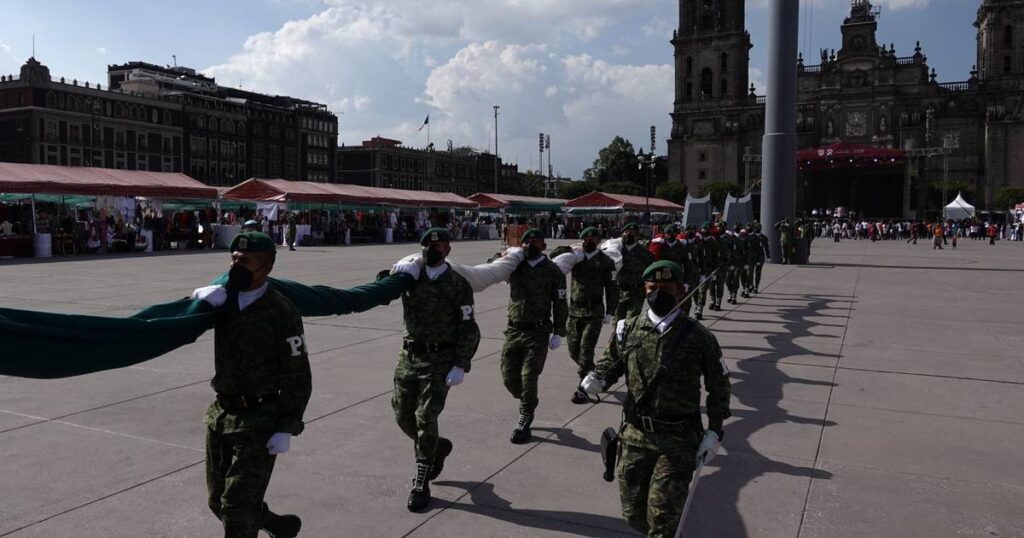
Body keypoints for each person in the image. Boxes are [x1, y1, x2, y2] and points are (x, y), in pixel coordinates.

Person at [582, 260, 731, 537]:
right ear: (644, 289)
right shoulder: (627, 330)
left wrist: (715, 431)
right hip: (635, 437)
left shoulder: (699, 337)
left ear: (680, 291)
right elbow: (611, 364)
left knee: (662, 519)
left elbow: (719, 386)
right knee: (634, 515)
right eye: (652, 288)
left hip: (678, 441)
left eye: (666, 288)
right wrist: (597, 379)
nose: (657, 294)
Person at [190, 232, 310, 538]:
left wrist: (288, 425)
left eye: (245, 260)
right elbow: (176, 323)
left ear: (267, 266)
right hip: (221, 414)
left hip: (260, 419)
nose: (236, 265)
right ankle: (276, 525)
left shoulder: (282, 311)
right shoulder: (223, 301)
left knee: (236, 508)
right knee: (218, 501)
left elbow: (298, 373)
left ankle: (260, 521)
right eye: (233, 259)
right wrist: (194, 304)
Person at [391, 227, 482, 512]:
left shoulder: (457, 284)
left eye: (439, 246)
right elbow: (381, 290)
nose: (432, 250)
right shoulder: (410, 278)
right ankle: (437, 446)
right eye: (427, 246)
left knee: (425, 416)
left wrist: (461, 363)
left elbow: (469, 328)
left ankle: (421, 480)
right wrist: (392, 274)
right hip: (408, 358)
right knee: (403, 415)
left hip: (439, 360)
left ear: (448, 250)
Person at [501, 228, 568, 444]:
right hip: (513, 330)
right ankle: (528, 401)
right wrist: (508, 255)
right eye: (527, 241)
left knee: (529, 376)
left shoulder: (553, 271)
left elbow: (560, 302)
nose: (532, 245)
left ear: (544, 246)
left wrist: (559, 331)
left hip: (538, 332)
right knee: (509, 377)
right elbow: (493, 264)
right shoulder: (514, 265)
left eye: (536, 241)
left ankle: (525, 416)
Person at [566, 227, 617, 404]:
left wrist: (611, 311)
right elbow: (556, 257)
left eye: (592, 238)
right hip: (574, 312)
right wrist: (570, 249)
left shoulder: (605, 261)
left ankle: (582, 389)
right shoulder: (575, 258)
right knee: (574, 350)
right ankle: (592, 374)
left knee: (586, 350)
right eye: (585, 238)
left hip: (594, 312)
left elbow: (611, 288)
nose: (589, 241)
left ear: (598, 240)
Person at [615, 223, 654, 321]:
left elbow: (651, 271)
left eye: (632, 233)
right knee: (617, 322)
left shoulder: (644, 252)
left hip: (636, 293)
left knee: (630, 322)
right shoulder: (617, 250)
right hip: (619, 292)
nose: (628, 235)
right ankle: (617, 337)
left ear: (637, 236)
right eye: (626, 232)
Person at [752, 224, 770, 294]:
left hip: (760, 257)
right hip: (752, 257)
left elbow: (766, 247)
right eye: (756, 228)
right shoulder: (751, 236)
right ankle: (751, 286)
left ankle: (756, 287)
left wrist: (768, 256)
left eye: (758, 228)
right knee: (750, 273)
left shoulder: (764, 237)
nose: (757, 229)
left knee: (758, 273)